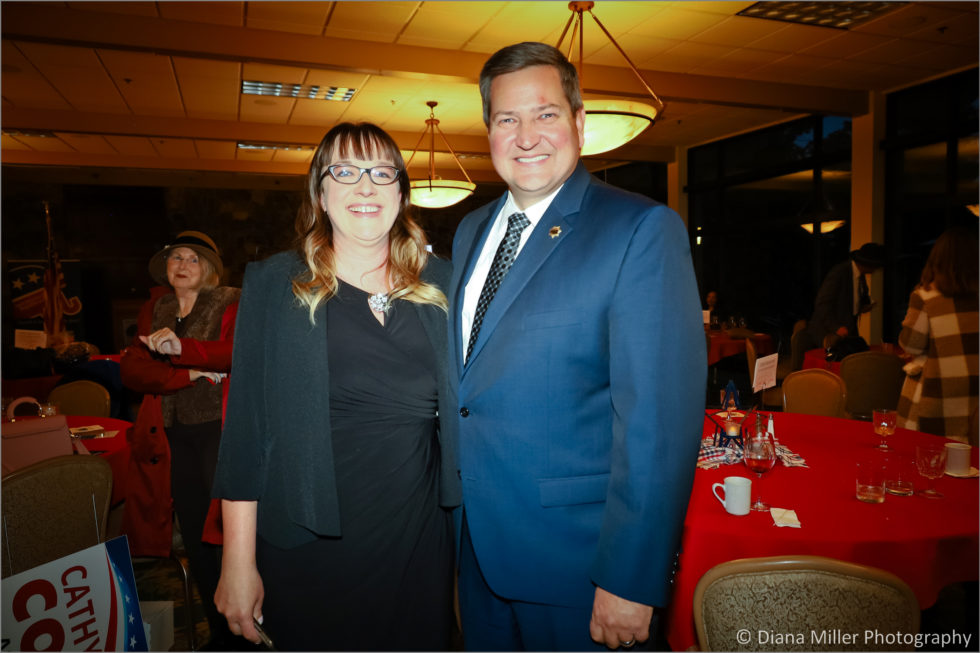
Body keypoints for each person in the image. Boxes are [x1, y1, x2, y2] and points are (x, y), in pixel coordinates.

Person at [449, 42, 706, 651]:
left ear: (579, 122)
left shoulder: (640, 229)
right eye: (507, 119)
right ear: (488, 132)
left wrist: (631, 577)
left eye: (545, 114)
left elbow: (658, 424)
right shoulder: (469, 231)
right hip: (476, 553)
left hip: (582, 569)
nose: (526, 136)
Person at [212, 122, 459, 651]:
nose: (365, 186)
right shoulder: (276, 284)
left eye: (381, 172)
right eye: (344, 172)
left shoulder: (444, 283)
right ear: (320, 194)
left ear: (401, 193)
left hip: (419, 537)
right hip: (310, 537)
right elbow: (246, 432)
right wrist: (237, 560)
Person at [120, 230, 239, 649]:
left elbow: (236, 353)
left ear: (209, 268)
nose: (183, 265)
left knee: (229, 535)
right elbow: (132, 371)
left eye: (193, 258)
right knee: (195, 538)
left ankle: (246, 629)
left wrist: (180, 348)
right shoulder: (157, 308)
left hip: (218, 430)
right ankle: (220, 633)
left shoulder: (230, 300)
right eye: (176, 258)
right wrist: (186, 373)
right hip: (172, 434)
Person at [896, 226, 979, 444]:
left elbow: (911, 344)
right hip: (973, 397)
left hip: (937, 394)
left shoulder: (926, 296)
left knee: (926, 451)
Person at [804, 242, 885, 350]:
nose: (875, 270)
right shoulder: (840, 273)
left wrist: (863, 307)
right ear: (868, 264)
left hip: (847, 330)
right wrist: (836, 327)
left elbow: (852, 302)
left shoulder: (860, 277)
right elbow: (822, 304)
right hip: (828, 332)